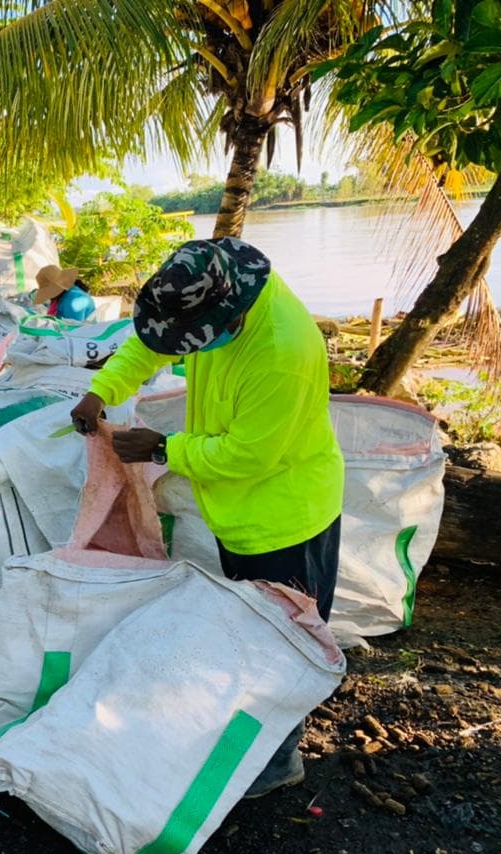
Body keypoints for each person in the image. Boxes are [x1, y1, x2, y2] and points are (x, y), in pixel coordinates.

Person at [69, 238, 344, 798]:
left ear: (230, 313)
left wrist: (164, 449)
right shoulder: (211, 295)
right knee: (250, 629)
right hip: (238, 513)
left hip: (284, 515)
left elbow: (248, 455)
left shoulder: (281, 353)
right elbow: (152, 345)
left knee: (285, 638)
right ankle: (252, 734)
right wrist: (102, 391)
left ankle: (278, 759)